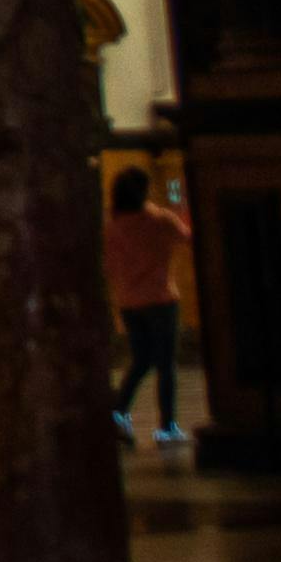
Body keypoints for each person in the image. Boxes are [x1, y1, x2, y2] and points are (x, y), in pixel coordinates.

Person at [104, 165, 191, 451]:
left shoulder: (112, 227)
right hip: (160, 299)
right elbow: (186, 236)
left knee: (141, 360)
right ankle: (167, 427)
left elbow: (108, 266)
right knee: (166, 364)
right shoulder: (159, 220)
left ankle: (117, 413)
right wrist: (178, 202)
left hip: (129, 301)